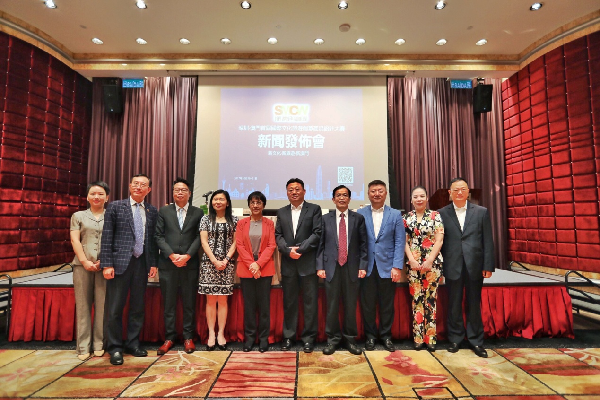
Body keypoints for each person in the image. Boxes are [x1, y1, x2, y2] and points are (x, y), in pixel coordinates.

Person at [101, 174, 158, 366]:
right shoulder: (115, 207)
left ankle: (133, 344)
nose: (139, 187)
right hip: (119, 264)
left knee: (137, 307)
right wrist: (107, 264)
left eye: (143, 185)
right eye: (136, 184)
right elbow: (107, 236)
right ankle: (115, 348)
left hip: (141, 263)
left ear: (149, 190)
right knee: (115, 308)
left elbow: (152, 240)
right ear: (130, 186)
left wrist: (153, 263)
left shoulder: (152, 210)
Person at [438, 177, 495, 358]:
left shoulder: (481, 212)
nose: (459, 192)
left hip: (475, 265)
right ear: (450, 193)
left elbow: (487, 240)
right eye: (455, 190)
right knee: (453, 303)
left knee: (474, 303)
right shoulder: (441, 214)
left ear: (468, 191)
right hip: (452, 264)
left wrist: (488, 265)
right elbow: (439, 242)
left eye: (463, 189)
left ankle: (476, 341)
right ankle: (455, 339)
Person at [154, 178, 204, 355]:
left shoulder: (198, 212)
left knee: (189, 303)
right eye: (177, 190)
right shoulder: (164, 211)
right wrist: (172, 255)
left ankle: (188, 337)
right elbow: (158, 236)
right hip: (168, 264)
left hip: (189, 264)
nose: (180, 192)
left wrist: (188, 255)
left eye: (183, 190)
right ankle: (169, 338)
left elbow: (199, 237)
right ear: (173, 192)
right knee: (169, 304)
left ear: (189, 193)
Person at [317, 185, 367, 355]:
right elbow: (320, 245)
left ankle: (350, 339)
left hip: (352, 268)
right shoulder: (325, 219)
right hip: (331, 268)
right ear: (333, 199)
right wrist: (320, 266)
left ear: (349, 199)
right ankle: (332, 340)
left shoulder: (358, 218)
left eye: (345, 195)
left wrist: (362, 266)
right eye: (338, 195)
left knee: (350, 305)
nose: (342, 198)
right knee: (331, 306)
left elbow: (363, 244)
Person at [357, 180, 405, 352]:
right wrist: (359, 265)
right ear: (368, 194)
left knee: (387, 305)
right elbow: (357, 241)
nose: (376, 194)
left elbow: (400, 241)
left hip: (388, 266)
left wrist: (397, 266)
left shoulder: (395, 214)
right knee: (367, 304)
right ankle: (370, 336)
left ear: (385, 193)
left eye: (380, 191)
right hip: (366, 267)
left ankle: (386, 336)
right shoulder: (360, 213)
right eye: (373, 191)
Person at [275, 178, 322, 353]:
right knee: (290, 303)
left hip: (307, 263)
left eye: (297, 189)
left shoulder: (314, 209)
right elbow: (278, 235)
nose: (294, 192)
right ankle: (288, 337)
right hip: (289, 263)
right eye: (290, 189)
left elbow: (317, 233)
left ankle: (309, 339)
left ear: (304, 191)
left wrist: (300, 249)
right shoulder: (282, 212)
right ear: (287, 192)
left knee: (310, 303)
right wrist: (288, 251)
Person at [70, 181, 110, 360]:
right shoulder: (78, 216)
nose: (96, 197)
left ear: (107, 198)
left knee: (102, 306)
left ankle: (99, 344)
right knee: (83, 306)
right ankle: (83, 346)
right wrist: (84, 261)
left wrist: (105, 261)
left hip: (104, 266)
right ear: (87, 197)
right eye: (93, 193)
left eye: (100, 194)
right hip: (82, 267)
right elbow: (75, 240)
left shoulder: (111, 216)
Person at [403, 186, 444, 352]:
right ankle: (418, 338)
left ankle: (431, 337)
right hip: (413, 265)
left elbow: (439, 240)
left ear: (427, 199)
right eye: (415, 196)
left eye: (422, 196)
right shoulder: (406, 218)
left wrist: (430, 260)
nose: (419, 199)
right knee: (417, 300)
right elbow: (404, 241)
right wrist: (411, 260)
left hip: (432, 264)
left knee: (431, 300)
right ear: (411, 200)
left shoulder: (435, 216)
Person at [236, 191, 277, 353]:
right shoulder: (241, 223)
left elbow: (271, 245)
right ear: (249, 205)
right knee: (249, 306)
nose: (255, 205)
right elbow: (240, 245)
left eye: (258, 202)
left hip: (264, 268)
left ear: (263, 205)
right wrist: (252, 265)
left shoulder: (269, 223)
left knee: (264, 306)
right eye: (252, 202)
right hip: (246, 268)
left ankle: (264, 339)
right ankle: (250, 338)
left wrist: (258, 264)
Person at [199, 189, 238, 351]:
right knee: (210, 301)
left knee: (222, 301)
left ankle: (221, 334)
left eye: (221, 199)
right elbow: (204, 242)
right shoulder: (205, 219)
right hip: (209, 264)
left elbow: (236, 242)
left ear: (227, 203)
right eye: (215, 199)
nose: (218, 202)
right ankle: (211, 334)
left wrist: (226, 259)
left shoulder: (234, 220)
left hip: (227, 264)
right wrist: (214, 260)